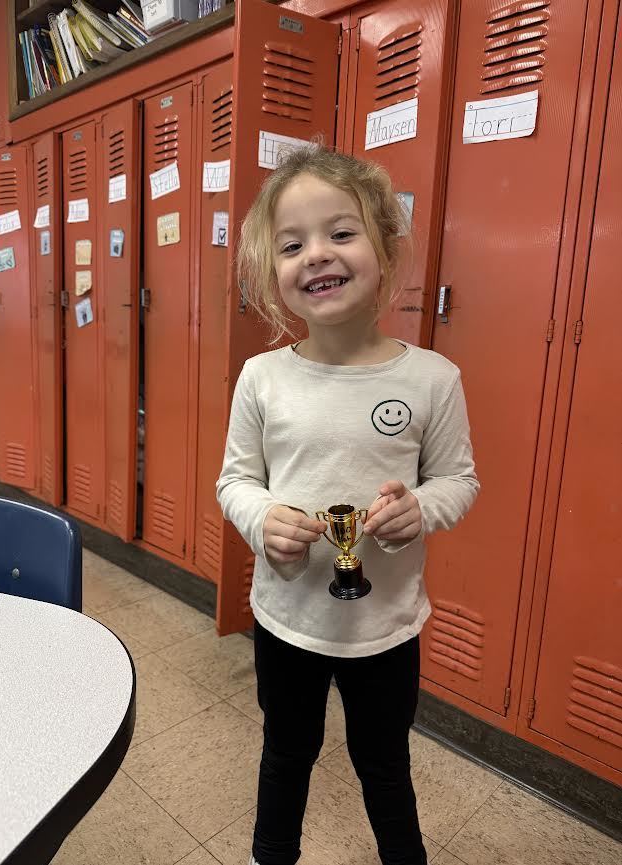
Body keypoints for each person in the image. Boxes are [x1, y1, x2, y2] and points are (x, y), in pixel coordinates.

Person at [216, 145, 479, 865]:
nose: (316, 256)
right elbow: (236, 479)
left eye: (340, 232)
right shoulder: (262, 376)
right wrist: (260, 517)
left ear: (385, 248)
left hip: (384, 627)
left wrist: (419, 508)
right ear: (272, 272)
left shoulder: (431, 377)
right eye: (292, 244)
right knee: (285, 755)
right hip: (287, 618)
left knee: (384, 763)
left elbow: (458, 479)